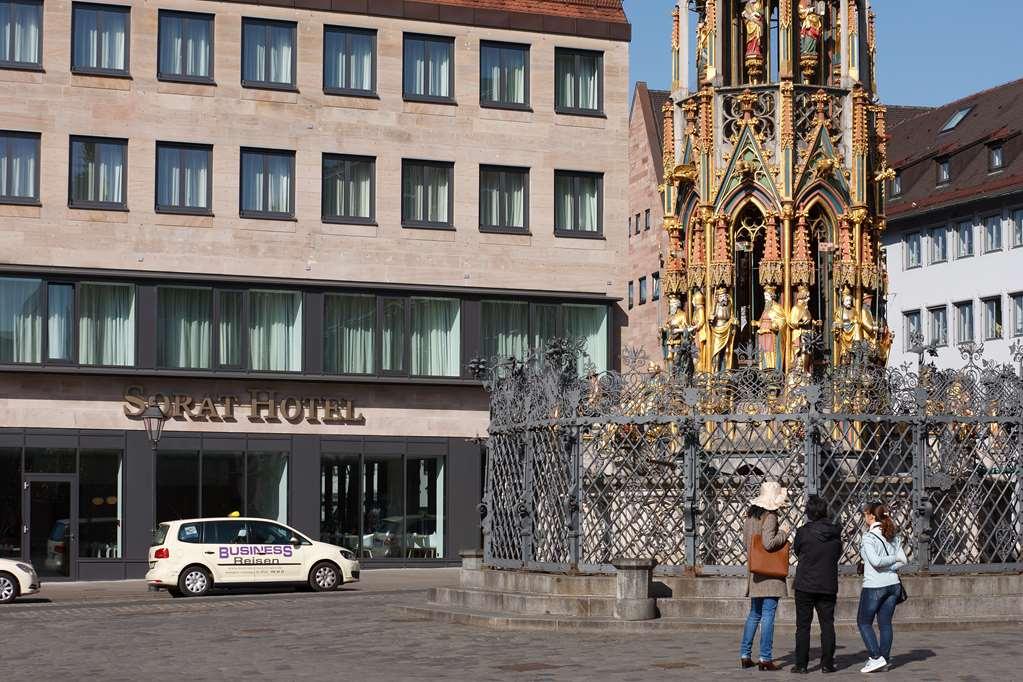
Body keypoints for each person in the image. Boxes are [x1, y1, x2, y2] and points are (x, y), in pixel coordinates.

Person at [740, 481, 789, 671]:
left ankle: (745, 654)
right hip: (770, 574)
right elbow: (769, 544)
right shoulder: (771, 516)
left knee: (754, 614)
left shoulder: (750, 516)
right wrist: (784, 533)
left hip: (755, 572)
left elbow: (747, 543)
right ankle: (765, 658)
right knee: (768, 614)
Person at [791, 495, 842, 674]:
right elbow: (837, 554)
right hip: (827, 584)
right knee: (827, 624)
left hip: (805, 584)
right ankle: (827, 664)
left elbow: (797, 550)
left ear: (809, 512)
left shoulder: (803, 532)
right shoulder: (835, 533)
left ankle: (801, 664)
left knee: (803, 626)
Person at [857, 502, 908, 674]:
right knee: (885, 623)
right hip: (893, 584)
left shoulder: (869, 537)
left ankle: (876, 657)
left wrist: (890, 559)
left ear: (871, 516)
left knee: (864, 622)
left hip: (875, 585)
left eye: (865, 514)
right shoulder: (892, 534)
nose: (864, 517)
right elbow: (902, 560)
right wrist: (893, 564)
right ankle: (884, 659)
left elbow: (877, 562)